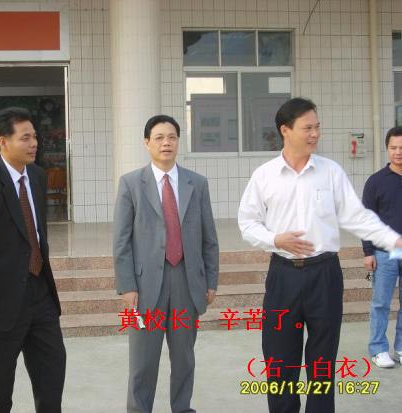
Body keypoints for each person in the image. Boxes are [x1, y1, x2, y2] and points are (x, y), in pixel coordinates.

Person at [238, 97, 402, 413]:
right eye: (307, 128)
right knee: (279, 359)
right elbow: (247, 223)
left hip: (325, 275)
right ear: (285, 130)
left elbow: (358, 217)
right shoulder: (265, 175)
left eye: (317, 127)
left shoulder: (331, 172)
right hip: (283, 275)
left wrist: (394, 241)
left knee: (323, 360)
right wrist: (275, 239)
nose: (314, 134)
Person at [0, 107, 66, 412]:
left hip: (40, 296)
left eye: (35, 137)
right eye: (26, 138)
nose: (34, 143)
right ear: (3, 142)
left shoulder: (37, 176)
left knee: (52, 377)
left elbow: (35, 233)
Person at [114, 114, 219, 413]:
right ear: (146, 143)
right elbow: (121, 241)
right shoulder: (131, 184)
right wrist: (127, 286)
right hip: (145, 286)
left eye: (171, 137)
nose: (166, 143)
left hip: (187, 281)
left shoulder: (197, 184)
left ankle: (182, 408)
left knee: (184, 358)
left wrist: (211, 280)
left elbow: (209, 237)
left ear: (178, 142)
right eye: (159, 138)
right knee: (142, 361)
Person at [362, 126, 402, 368]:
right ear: (387, 149)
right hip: (384, 253)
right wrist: (368, 252)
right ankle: (378, 348)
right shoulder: (376, 182)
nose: (398, 152)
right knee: (381, 303)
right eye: (393, 147)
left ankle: (401, 347)